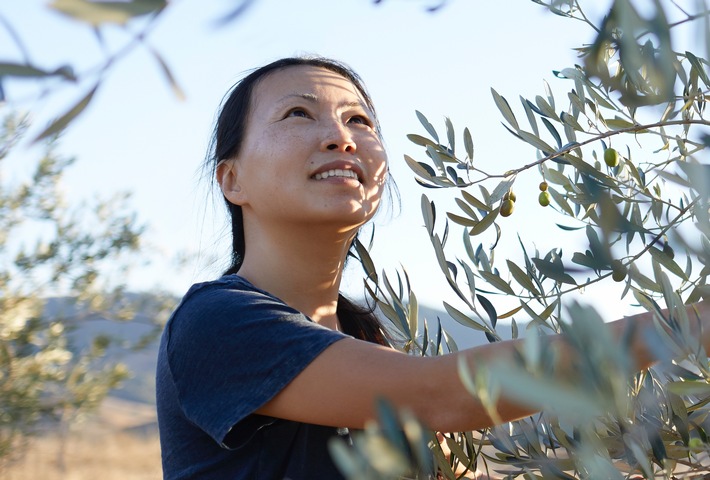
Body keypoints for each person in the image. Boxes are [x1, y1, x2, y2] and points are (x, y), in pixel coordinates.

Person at [155, 56, 710, 480]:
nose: (341, 136)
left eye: (359, 120)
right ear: (233, 180)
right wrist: (686, 326)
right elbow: (443, 396)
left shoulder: (370, 339)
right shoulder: (216, 324)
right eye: (298, 113)